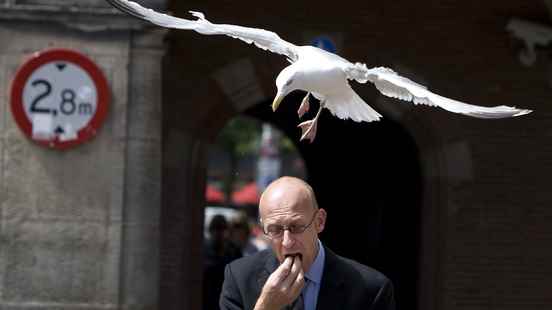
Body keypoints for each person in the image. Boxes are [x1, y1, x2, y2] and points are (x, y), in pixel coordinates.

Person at [219, 177, 396, 310]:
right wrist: (266, 306)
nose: (287, 242)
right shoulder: (239, 277)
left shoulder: (371, 289)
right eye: (275, 230)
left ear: (319, 221)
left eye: (296, 227)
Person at [203, 214, 242, 310]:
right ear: (210, 230)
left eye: (222, 229)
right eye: (216, 229)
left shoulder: (234, 251)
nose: (219, 233)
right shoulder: (203, 250)